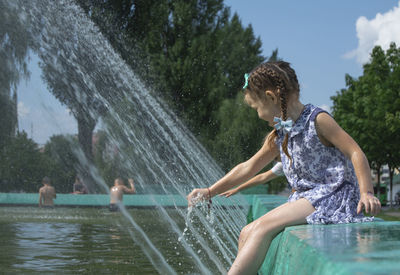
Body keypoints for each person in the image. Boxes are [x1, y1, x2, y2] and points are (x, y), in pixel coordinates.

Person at [186, 61, 381, 274]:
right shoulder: (280, 134)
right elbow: (248, 167)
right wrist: (210, 191)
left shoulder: (318, 120)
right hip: (306, 197)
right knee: (247, 231)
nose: (258, 115)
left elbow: (355, 151)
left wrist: (367, 192)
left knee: (261, 229)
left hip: (332, 195)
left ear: (271, 97)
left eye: (256, 107)